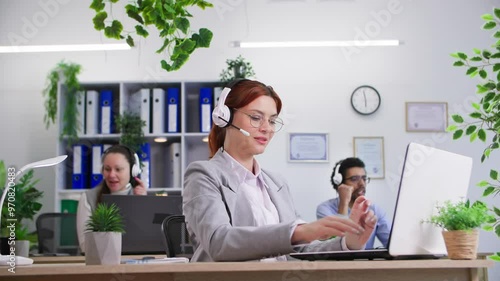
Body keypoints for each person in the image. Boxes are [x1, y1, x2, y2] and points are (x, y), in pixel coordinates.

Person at [183, 79, 378, 262]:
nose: (267, 128)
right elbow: (219, 242)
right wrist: (298, 232)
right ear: (225, 117)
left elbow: (299, 252)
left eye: (272, 121)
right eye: (256, 118)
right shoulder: (203, 174)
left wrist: (348, 242)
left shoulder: (276, 183)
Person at [76, 144, 147, 251]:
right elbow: (85, 246)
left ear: (133, 171)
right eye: (107, 169)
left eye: (118, 169)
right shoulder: (89, 198)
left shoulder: (140, 196)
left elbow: (146, 242)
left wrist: (142, 203)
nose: (112, 175)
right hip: (99, 264)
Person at [316, 157, 391, 249]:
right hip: (337, 263)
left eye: (364, 178)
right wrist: (344, 203)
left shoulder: (374, 209)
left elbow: (390, 243)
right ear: (339, 182)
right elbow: (336, 246)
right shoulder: (325, 209)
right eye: (354, 179)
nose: (362, 184)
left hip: (365, 262)